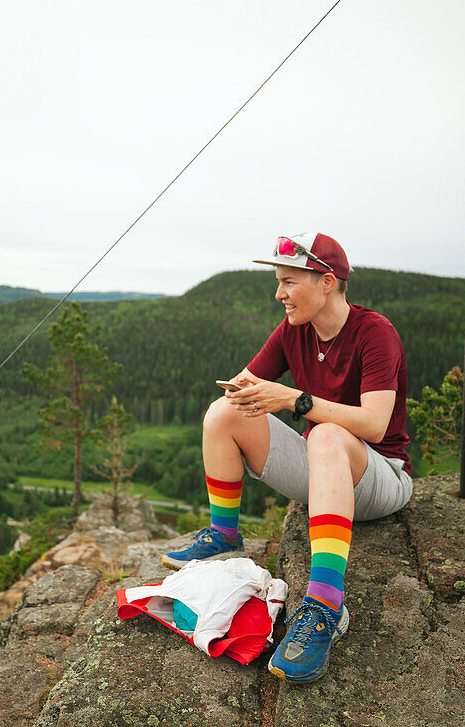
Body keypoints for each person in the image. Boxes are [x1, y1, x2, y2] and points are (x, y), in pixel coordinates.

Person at [162, 231, 412, 684]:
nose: (279, 294)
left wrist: (295, 399)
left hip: (381, 476)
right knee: (223, 413)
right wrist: (241, 391)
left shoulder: (376, 332)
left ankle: (325, 606)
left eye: (289, 282)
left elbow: (375, 425)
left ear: (327, 282)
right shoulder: (294, 330)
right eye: (278, 282)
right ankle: (224, 533)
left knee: (328, 435)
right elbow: (248, 382)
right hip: (325, 473)